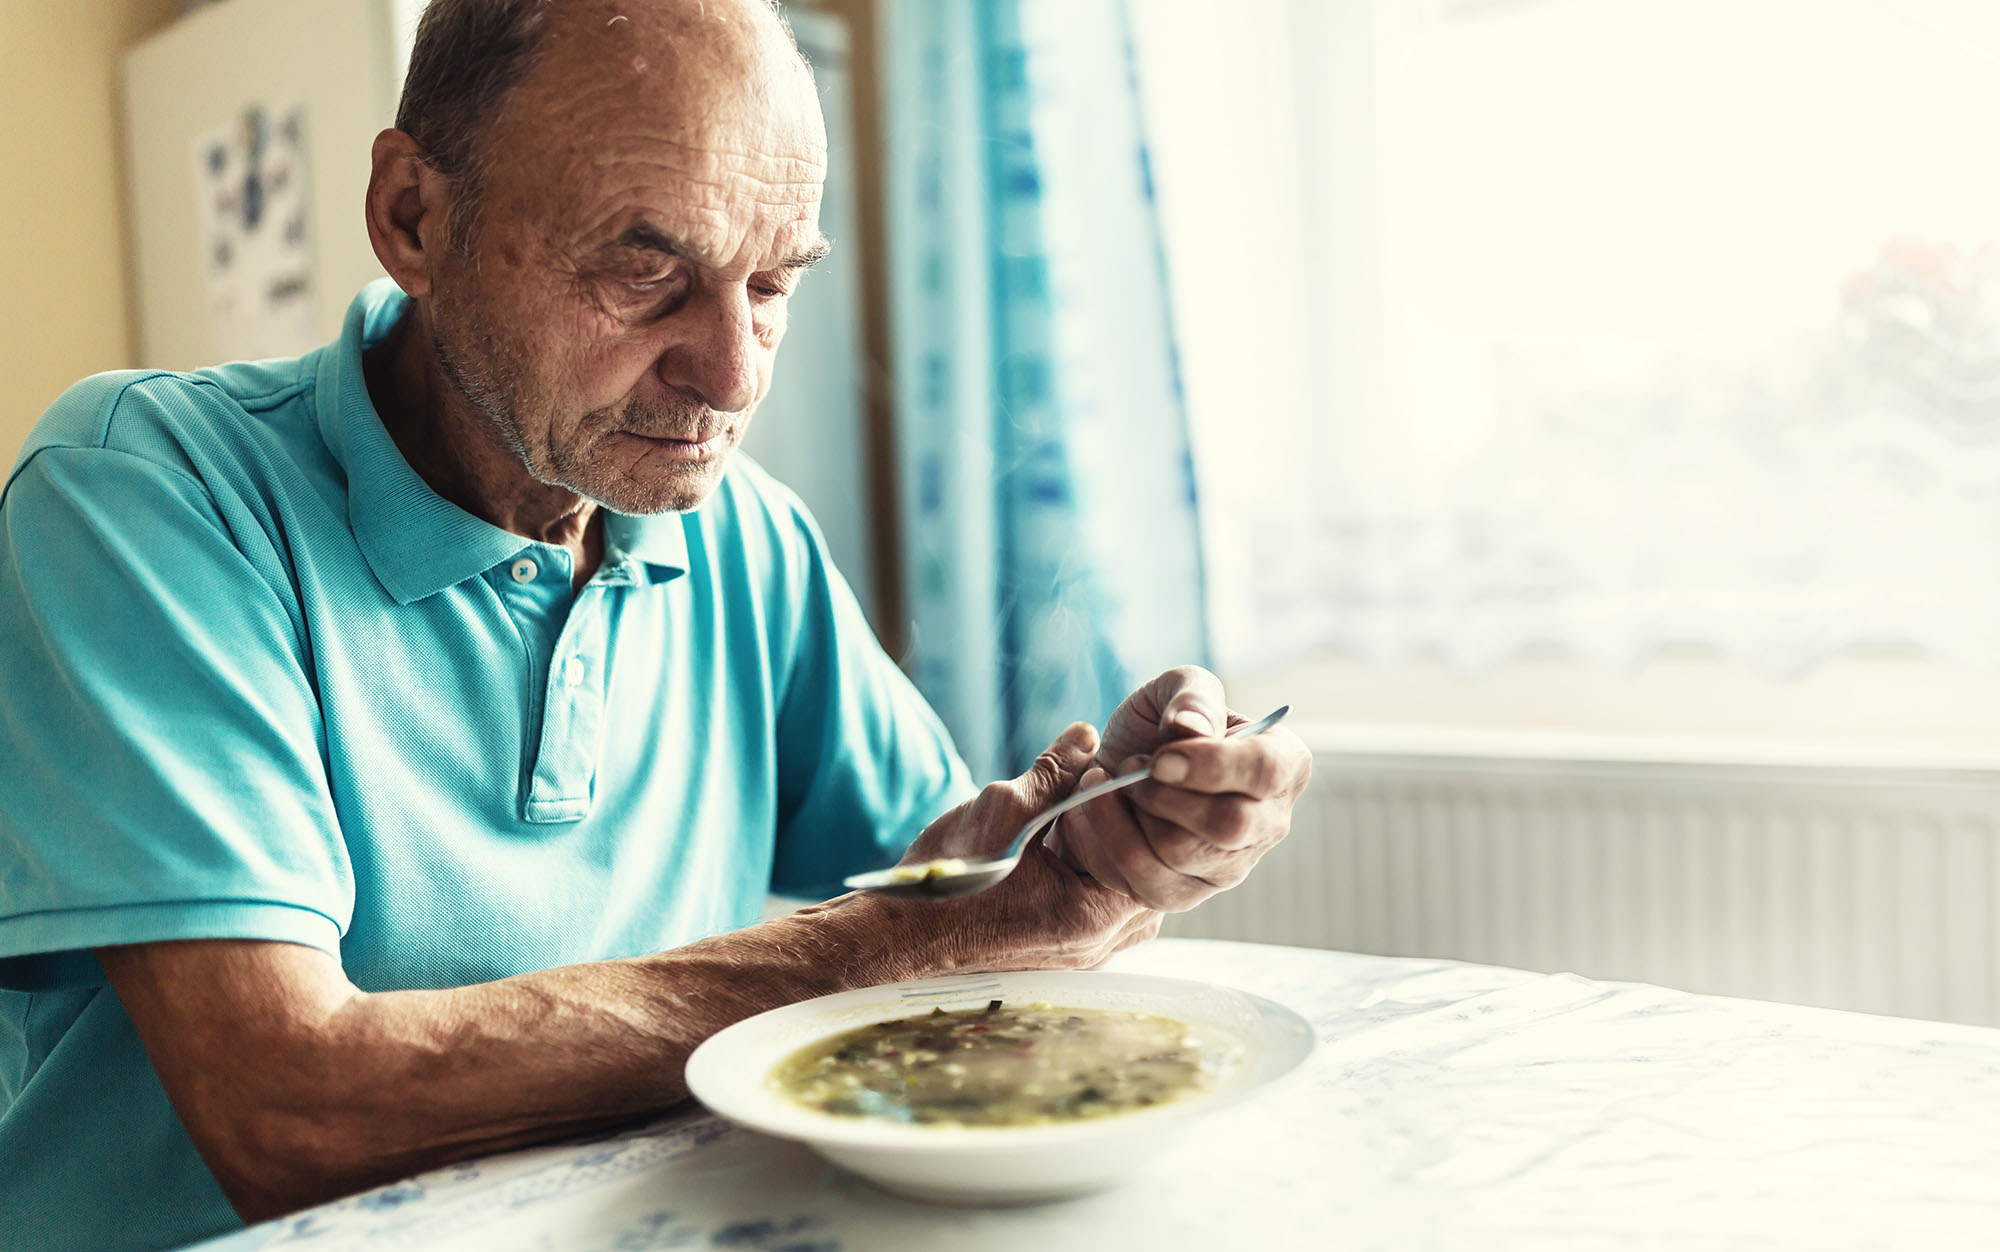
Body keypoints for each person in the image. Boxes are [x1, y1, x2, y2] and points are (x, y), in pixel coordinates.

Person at [0, 2, 1310, 1250]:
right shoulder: (145, 493)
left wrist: (1091, 851)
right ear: (412, 217)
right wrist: (920, 937)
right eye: (645, 268)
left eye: (776, 283)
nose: (733, 375)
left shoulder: (750, 540)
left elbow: (949, 904)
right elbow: (290, 1104)